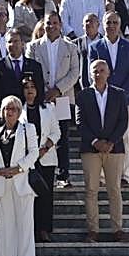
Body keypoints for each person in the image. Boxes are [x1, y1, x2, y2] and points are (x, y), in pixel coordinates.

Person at [77, 60, 129, 242]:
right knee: (91, 190)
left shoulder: (119, 94)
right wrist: (95, 141)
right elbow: (80, 122)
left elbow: (124, 120)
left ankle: (117, 229)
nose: (98, 74)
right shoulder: (83, 95)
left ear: (108, 73)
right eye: (95, 71)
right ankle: (93, 230)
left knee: (114, 189)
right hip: (90, 149)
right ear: (90, 74)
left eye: (102, 70)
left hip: (114, 149)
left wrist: (111, 141)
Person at [25, 13, 79, 188]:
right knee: (39, 133)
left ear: (61, 25)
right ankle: (36, 168)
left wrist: (57, 90)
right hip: (40, 97)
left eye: (55, 23)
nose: (52, 26)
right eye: (49, 23)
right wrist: (44, 90)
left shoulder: (70, 47)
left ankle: (64, 174)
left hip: (62, 98)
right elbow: (30, 70)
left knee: (62, 136)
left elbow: (74, 73)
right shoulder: (33, 47)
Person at [0, 95, 39, 256]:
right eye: (7, 109)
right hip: (2, 182)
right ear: (2, 112)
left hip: (22, 181)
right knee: (6, 224)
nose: (10, 112)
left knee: (25, 223)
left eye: (14, 109)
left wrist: (18, 169)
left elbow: (34, 153)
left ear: (19, 112)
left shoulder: (28, 129)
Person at [90, 12, 129, 186]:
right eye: (108, 22)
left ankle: (124, 176)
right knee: (102, 136)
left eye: (115, 22)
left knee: (124, 137)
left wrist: (121, 94)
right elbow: (90, 72)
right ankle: (103, 177)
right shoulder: (95, 47)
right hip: (101, 99)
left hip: (124, 100)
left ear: (120, 25)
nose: (111, 25)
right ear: (103, 25)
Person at [20, 76, 60, 242]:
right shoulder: (17, 109)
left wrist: (45, 148)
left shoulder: (48, 108)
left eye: (33, 87)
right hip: (25, 159)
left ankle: (44, 229)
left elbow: (56, 132)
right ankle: (28, 229)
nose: (30, 90)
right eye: (26, 87)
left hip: (45, 157)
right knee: (28, 196)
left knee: (45, 194)